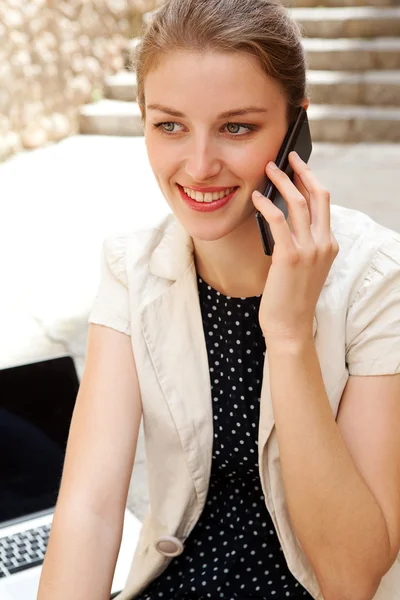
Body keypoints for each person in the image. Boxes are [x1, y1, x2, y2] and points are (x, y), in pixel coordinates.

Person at [37, 0, 400, 599]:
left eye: (237, 127)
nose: (199, 167)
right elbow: (91, 511)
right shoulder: (132, 268)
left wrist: (287, 335)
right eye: (170, 125)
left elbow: (350, 577)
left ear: (296, 129)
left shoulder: (377, 279)